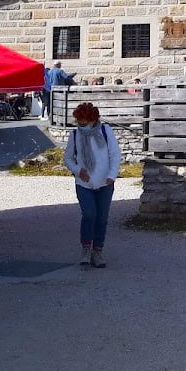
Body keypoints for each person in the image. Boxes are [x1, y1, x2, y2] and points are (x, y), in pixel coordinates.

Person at [63, 102, 122, 268]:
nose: (81, 125)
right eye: (78, 122)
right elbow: (68, 158)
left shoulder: (106, 131)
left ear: (93, 120)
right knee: (89, 215)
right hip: (84, 183)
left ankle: (98, 251)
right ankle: (86, 249)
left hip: (105, 183)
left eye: (84, 123)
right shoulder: (75, 135)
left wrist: (112, 175)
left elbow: (115, 154)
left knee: (102, 219)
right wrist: (77, 170)